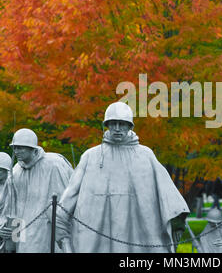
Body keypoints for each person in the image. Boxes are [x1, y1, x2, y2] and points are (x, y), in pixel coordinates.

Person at [56, 102, 190, 253]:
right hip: (98, 238)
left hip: (138, 236)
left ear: (130, 126)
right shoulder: (91, 157)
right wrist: (62, 230)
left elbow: (168, 196)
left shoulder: (145, 156)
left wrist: (177, 223)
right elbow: (68, 198)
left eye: (122, 124)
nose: (118, 128)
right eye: (113, 124)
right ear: (106, 125)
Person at [0, 128, 73, 253]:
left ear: (32, 148)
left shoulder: (54, 164)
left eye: (21, 147)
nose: (16, 151)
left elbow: (66, 202)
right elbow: (11, 207)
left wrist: (64, 237)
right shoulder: (15, 171)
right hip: (23, 231)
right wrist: (5, 227)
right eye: (15, 148)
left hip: (48, 229)